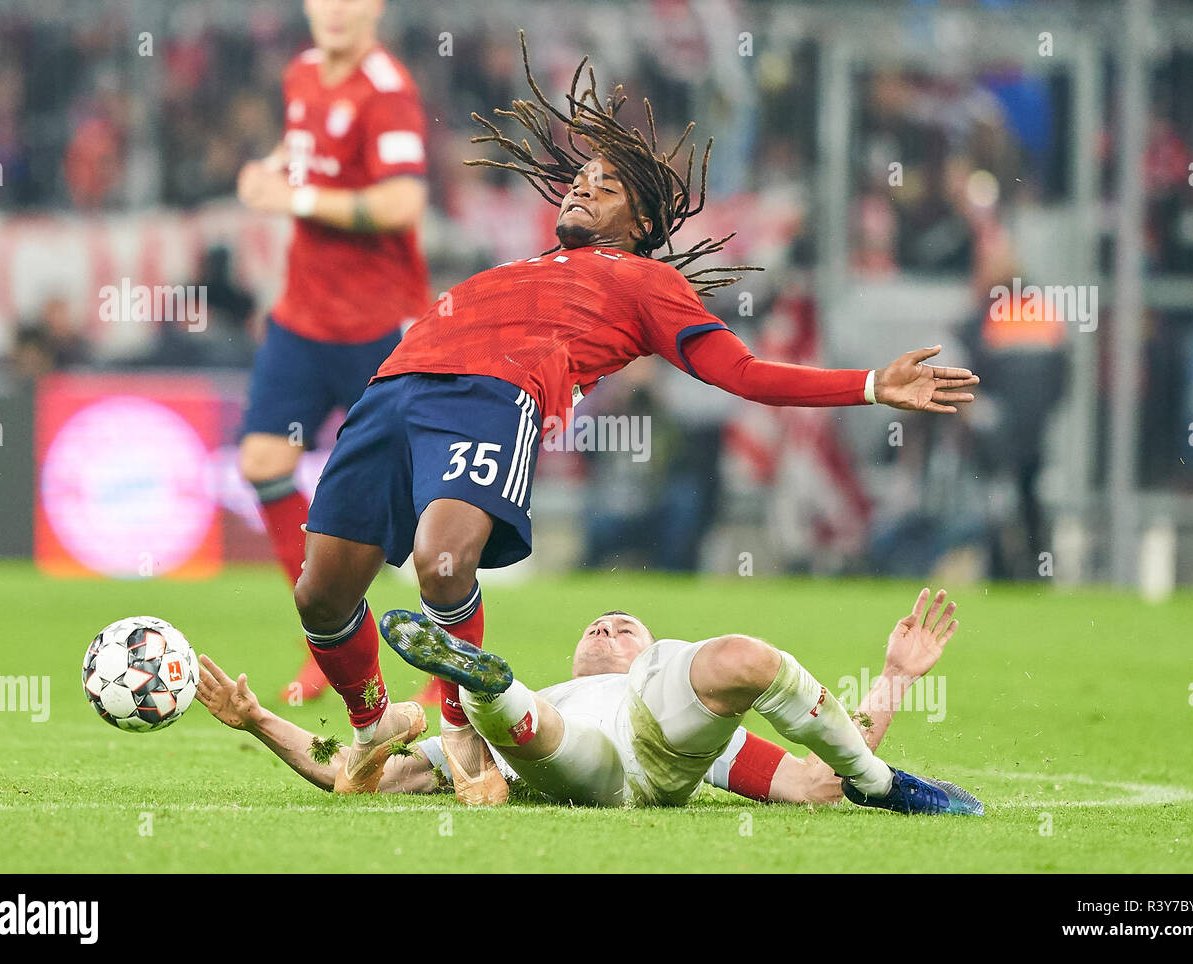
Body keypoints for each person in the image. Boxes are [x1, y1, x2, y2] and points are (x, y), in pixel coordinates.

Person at [293, 34, 981, 806]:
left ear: (645, 218)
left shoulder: (646, 283)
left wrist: (867, 385)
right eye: (579, 180)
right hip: (393, 388)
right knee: (319, 595)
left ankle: (459, 723)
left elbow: (743, 374)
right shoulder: (521, 267)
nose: (580, 190)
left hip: (490, 396)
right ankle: (372, 723)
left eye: (605, 186)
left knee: (443, 563)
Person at [196, 588, 972, 812]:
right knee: (549, 739)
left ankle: (476, 689)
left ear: (645, 644)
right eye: (595, 626)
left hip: (665, 747)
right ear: (574, 654)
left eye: (622, 624)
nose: (605, 627)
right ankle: (483, 689)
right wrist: (259, 719)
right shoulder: (562, 688)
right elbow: (351, 774)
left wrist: (896, 676)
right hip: (579, 760)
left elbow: (818, 779)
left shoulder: (679, 690)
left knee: (742, 658)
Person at [235, 0, 430, 702]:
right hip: (302, 317)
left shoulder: (387, 93)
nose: (337, 10)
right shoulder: (302, 75)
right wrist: (267, 169)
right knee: (263, 460)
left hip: (376, 323)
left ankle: (445, 673)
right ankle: (328, 635)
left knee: (414, 508)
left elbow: (402, 203)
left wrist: (298, 199)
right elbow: (300, 150)